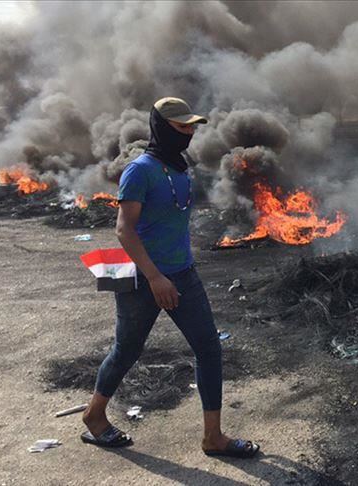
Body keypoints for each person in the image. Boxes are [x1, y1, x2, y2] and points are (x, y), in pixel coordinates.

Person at [81, 97, 259, 458]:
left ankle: (213, 437)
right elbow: (124, 230)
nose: (189, 133)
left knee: (209, 348)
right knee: (126, 351)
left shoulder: (179, 167)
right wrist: (155, 278)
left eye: (192, 127)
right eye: (181, 127)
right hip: (141, 278)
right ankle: (94, 415)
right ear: (161, 127)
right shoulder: (139, 170)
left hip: (183, 273)